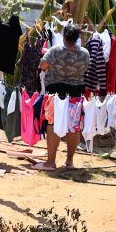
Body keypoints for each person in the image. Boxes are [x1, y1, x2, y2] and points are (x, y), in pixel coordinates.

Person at [33, 24, 89, 170]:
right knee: (74, 126)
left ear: (64, 36)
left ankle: (50, 162)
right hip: (76, 93)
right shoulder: (84, 53)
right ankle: (69, 161)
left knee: (52, 124)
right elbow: (85, 68)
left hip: (56, 93)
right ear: (77, 38)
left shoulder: (54, 51)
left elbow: (43, 65)